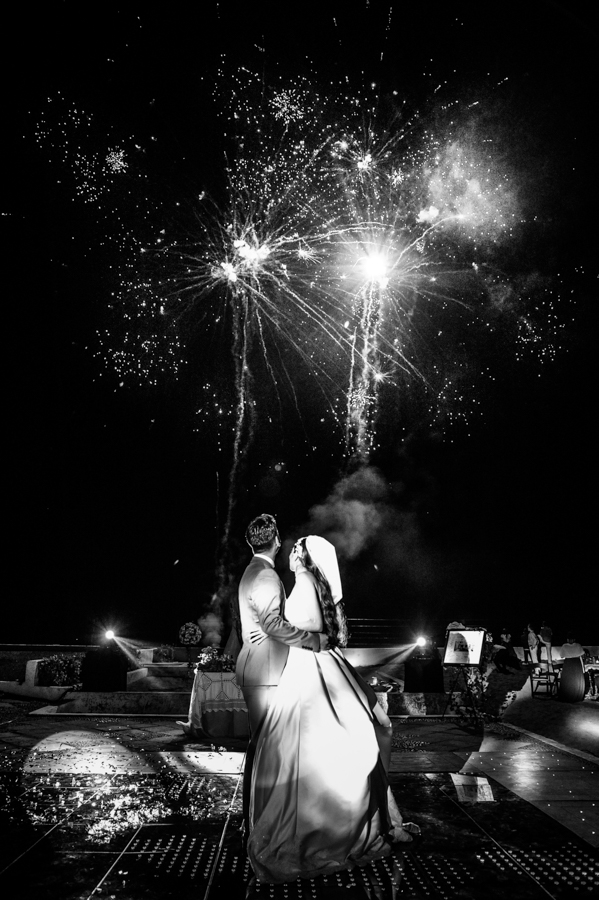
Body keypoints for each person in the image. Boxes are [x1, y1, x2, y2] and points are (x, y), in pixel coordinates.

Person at [247, 534, 419, 885]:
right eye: (292, 546)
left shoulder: (305, 583)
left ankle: (326, 825)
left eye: (298, 548)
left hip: (311, 668)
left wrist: (279, 633)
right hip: (318, 664)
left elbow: (300, 628)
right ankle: (362, 815)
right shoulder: (311, 584)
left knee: (311, 750)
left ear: (308, 558)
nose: (291, 551)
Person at [236, 514, 328, 846]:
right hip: (266, 672)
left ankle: (255, 820)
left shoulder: (251, 572)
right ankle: (260, 825)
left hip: (258, 667)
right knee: (266, 749)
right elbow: (273, 624)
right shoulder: (265, 575)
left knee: (261, 747)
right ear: (275, 540)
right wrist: (311, 640)